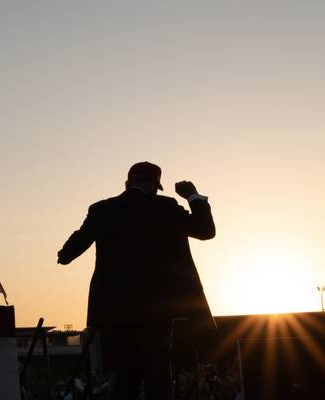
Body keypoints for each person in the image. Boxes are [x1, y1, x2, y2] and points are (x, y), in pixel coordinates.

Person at [58, 161, 216, 399]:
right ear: (154, 185)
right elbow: (205, 230)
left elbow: (74, 247)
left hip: (115, 311)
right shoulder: (165, 207)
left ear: (128, 182)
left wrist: (64, 255)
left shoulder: (102, 210)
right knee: (158, 375)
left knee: (126, 375)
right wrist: (193, 196)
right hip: (156, 309)